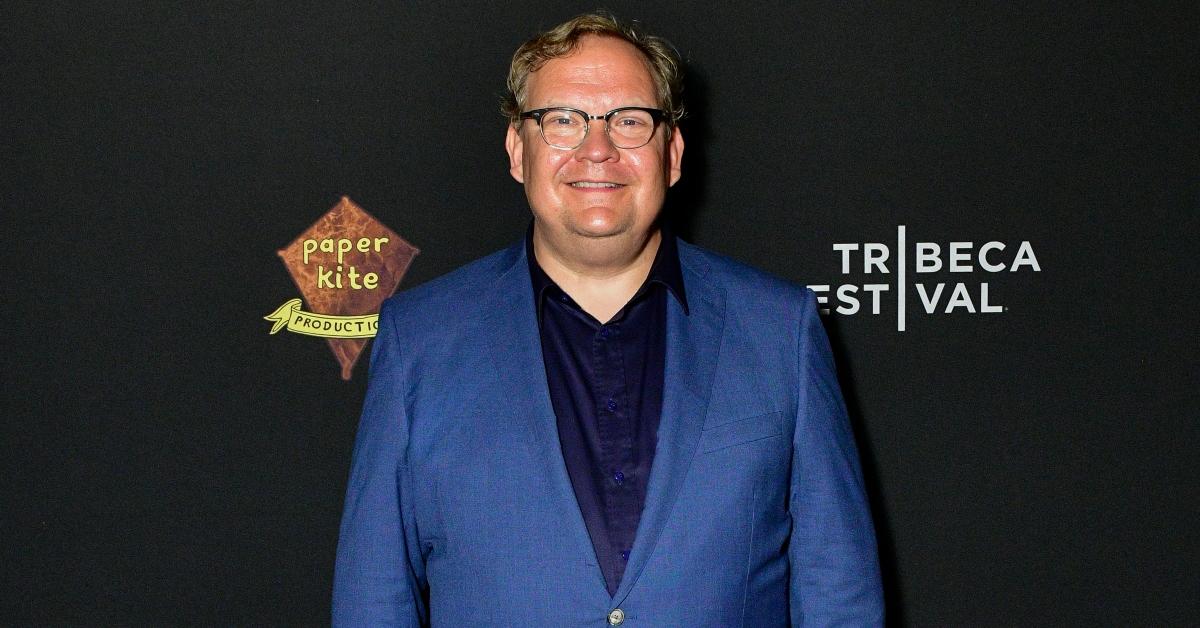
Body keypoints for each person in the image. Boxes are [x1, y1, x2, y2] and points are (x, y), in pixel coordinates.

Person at [333, 13, 883, 626]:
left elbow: (839, 592)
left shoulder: (780, 329)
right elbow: (372, 599)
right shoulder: (420, 341)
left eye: (629, 121)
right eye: (562, 120)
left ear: (671, 154)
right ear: (519, 151)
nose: (597, 150)